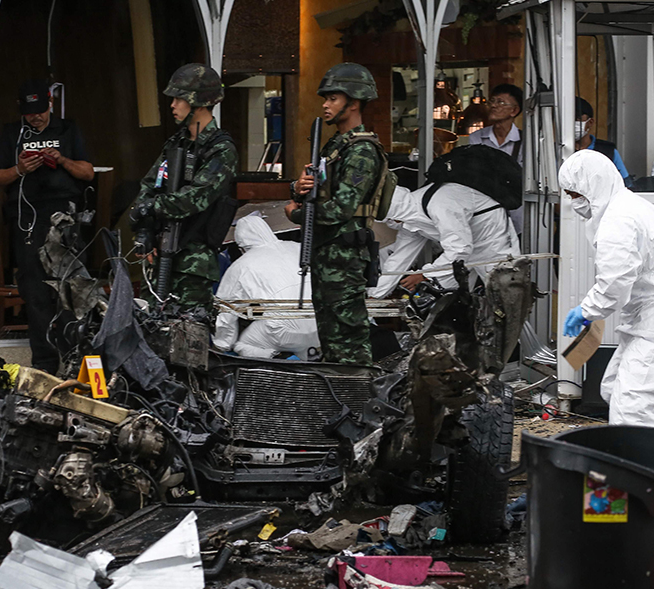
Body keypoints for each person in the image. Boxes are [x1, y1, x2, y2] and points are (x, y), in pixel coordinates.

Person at [559, 149, 654, 473]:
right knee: (615, 389)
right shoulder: (625, 207)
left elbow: (615, 282)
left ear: (593, 186)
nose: (574, 203)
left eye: (576, 194)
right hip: (653, 314)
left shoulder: (619, 220)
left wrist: (587, 310)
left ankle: (640, 482)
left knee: (631, 403)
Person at [0, 79, 94, 374]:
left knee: (70, 289)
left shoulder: (67, 129)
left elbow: (88, 172)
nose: (35, 117)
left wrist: (61, 160)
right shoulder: (12, 133)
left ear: (50, 103)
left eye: (39, 110)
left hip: (65, 216)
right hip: (27, 217)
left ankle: (74, 359)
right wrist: (19, 169)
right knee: (35, 289)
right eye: (29, 112)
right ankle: (45, 363)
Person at [285, 63, 384, 366]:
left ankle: (357, 392)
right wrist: (298, 188)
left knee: (349, 341)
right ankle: (338, 391)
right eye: (325, 99)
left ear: (353, 103)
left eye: (333, 99)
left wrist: (296, 215)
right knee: (330, 338)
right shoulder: (336, 147)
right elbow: (318, 192)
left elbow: (341, 209)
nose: (325, 105)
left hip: (345, 258)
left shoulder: (361, 151)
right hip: (328, 254)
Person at [131, 64, 238, 320]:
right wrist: (145, 230)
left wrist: (152, 207)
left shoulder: (221, 150)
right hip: (160, 256)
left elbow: (195, 198)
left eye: (179, 99)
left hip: (193, 263)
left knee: (186, 332)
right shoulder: (176, 143)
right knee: (149, 324)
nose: (173, 105)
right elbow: (150, 185)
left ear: (198, 102)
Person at [369, 182, 520, 298]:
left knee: (503, 295)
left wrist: (425, 275)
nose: (391, 224)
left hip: (491, 239)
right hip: (463, 248)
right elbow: (398, 260)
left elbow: (460, 249)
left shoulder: (439, 204)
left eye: (390, 220)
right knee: (447, 300)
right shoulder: (410, 220)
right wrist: (374, 296)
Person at [212, 214, 320, 358]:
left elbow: (226, 312)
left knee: (241, 345)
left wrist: (222, 344)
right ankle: (310, 356)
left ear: (241, 247)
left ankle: (276, 357)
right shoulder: (298, 247)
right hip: (320, 322)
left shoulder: (241, 265)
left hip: (282, 331)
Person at [468, 84, 526, 233]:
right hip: (485, 212)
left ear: (514, 111)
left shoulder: (526, 141)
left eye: (501, 102)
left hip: (516, 215)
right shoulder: (477, 137)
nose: (493, 105)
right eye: (492, 101)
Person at [574, 97, 631, 186]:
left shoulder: (608, 151)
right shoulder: (555, 151)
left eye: (577, 118)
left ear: (590, 122)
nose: (572, 122)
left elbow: (625, 184)